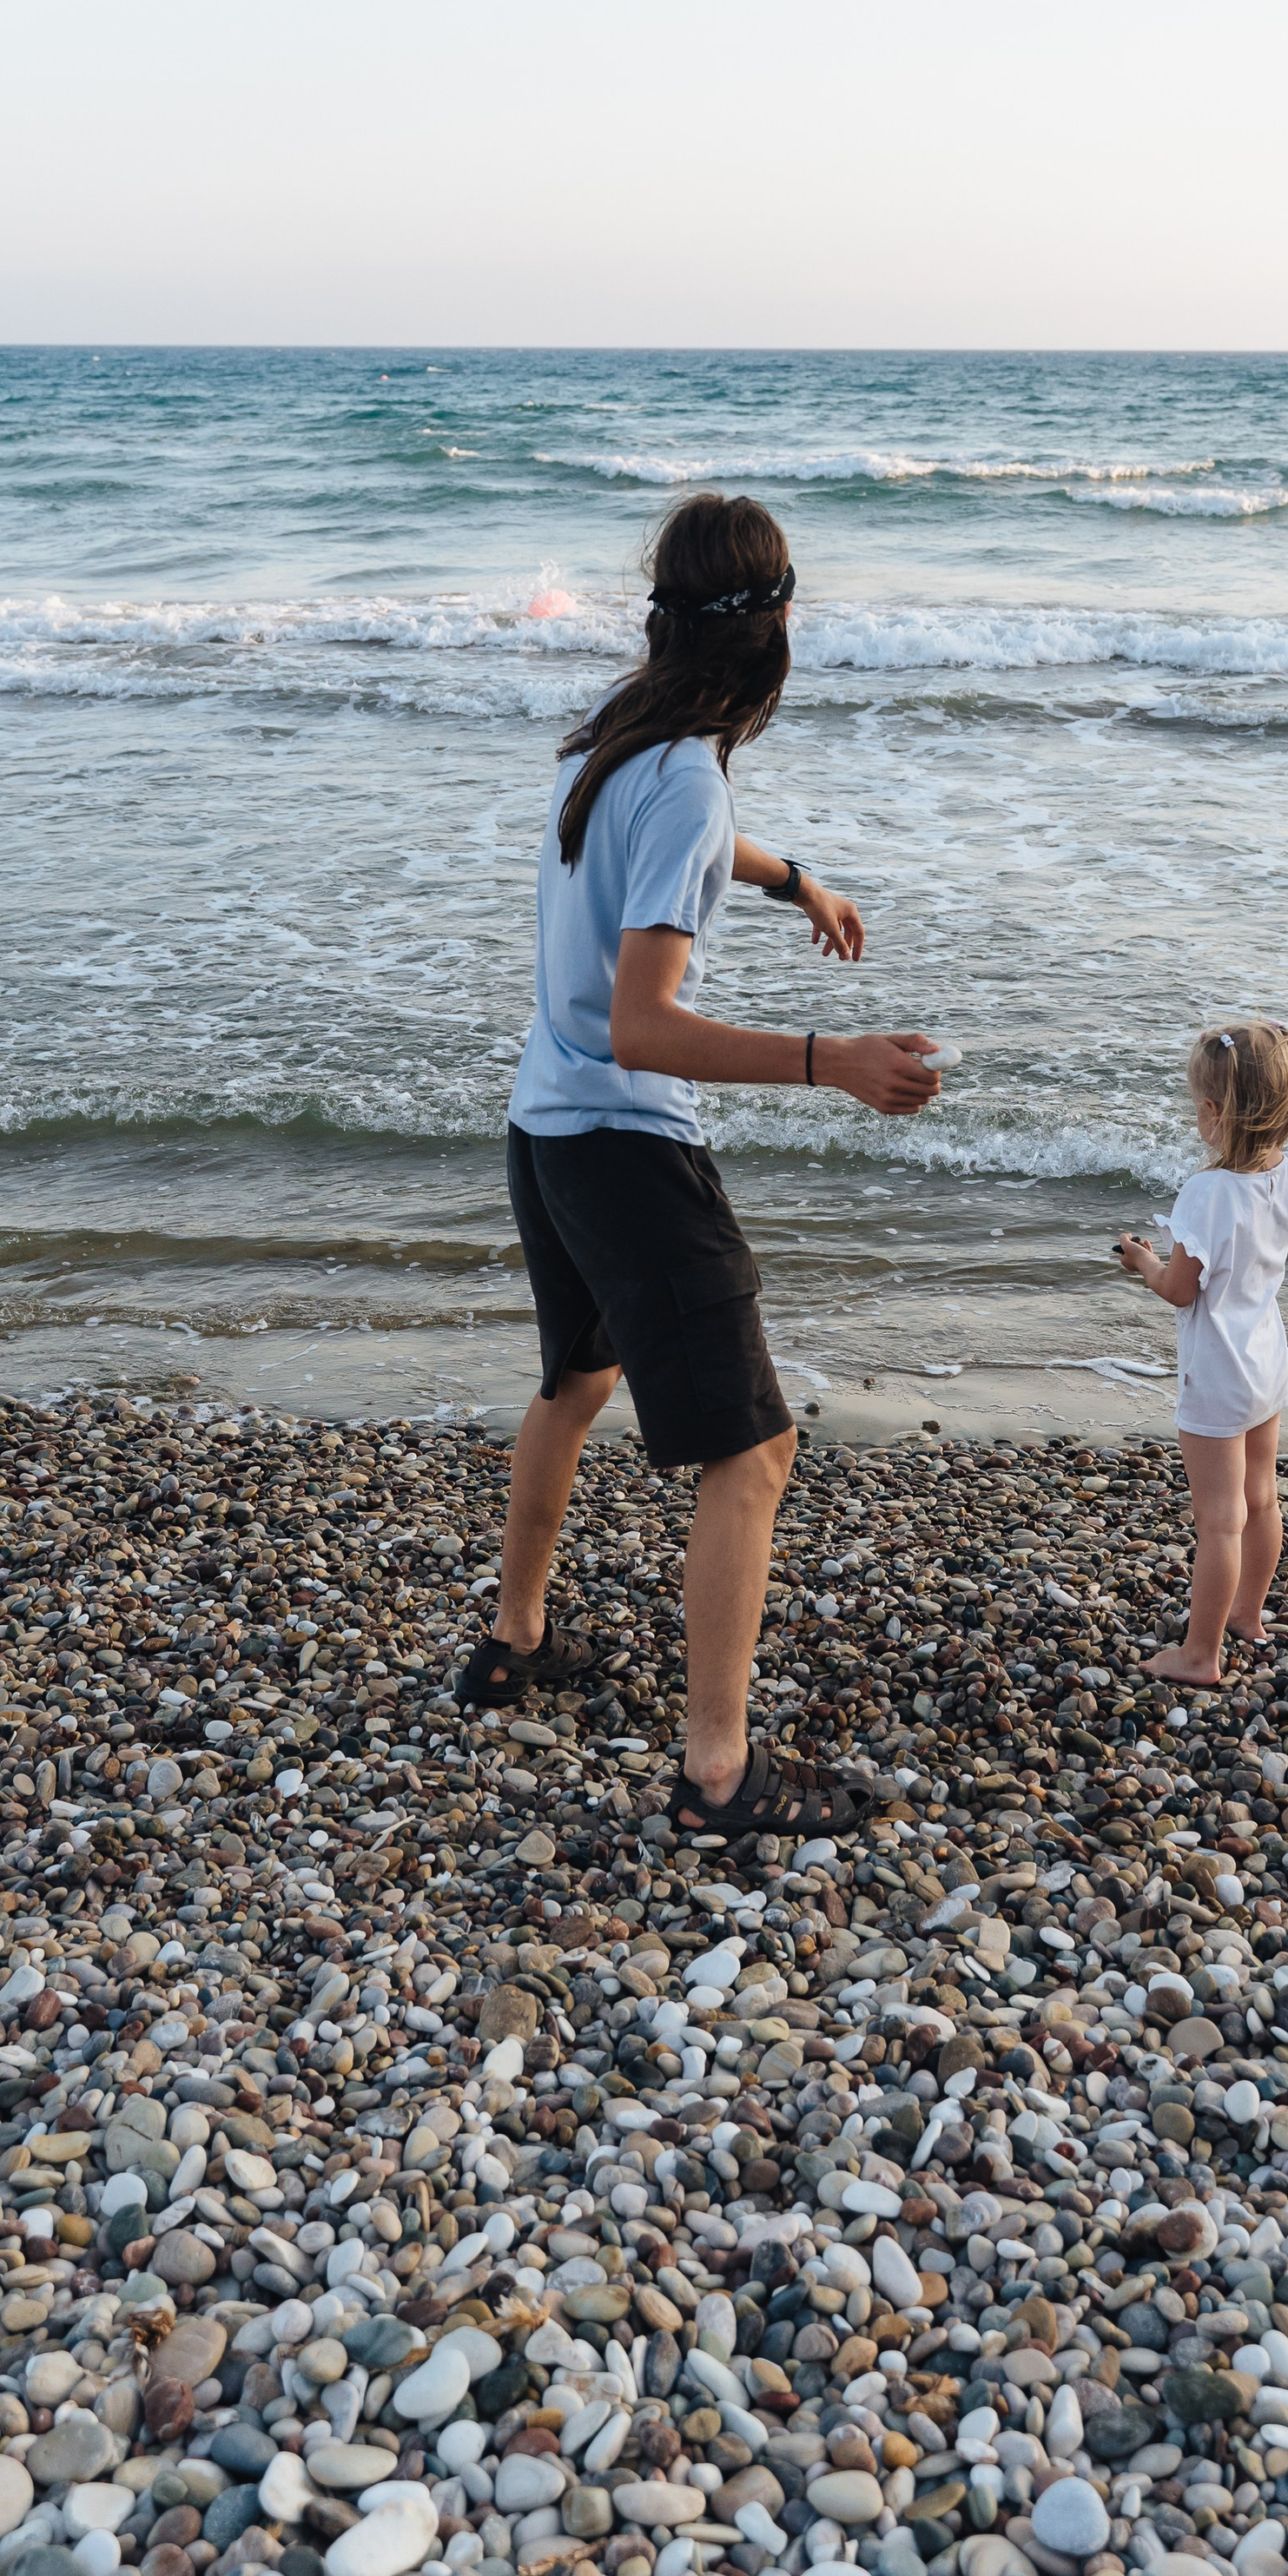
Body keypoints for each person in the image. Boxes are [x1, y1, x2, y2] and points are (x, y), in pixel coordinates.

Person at [458, 492, 940, 1839]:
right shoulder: (681, 772)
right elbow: (646, 1025)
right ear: (776, 627)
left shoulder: (611, 739)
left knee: (576, 1381)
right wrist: (828, 1059)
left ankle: (514, 1642)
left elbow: (688, 843)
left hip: (543, 1129)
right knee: (756, 1448)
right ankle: (718, 1775)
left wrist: (797, 885)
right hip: (623, 1142)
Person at [1115, 1022, 1288, 1686]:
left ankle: (1200, 1654)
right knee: (1262, 1497)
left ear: (1214, 1115)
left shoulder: (1207, 1194)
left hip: (1217, 1375)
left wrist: (1144, 1263)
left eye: (1197, 1105)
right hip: (1269, 1362)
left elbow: (1182, 1291)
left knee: (1219, 1520)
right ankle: (1247, 1614)